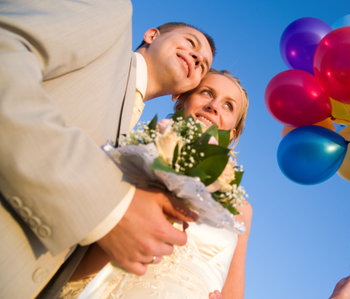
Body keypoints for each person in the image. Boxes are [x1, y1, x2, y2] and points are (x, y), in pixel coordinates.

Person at [0, 0, 215, 297]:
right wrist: (110, 210)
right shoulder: (110, 14)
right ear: (152, 35)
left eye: (202, 64)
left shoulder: (140, 151)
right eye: (190, 43)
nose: (196, 56)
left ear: (180, 92)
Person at [59, 69, 252, 298]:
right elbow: (76, 258)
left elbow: (233, 288)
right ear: (181, 102)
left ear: (233, 133)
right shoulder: (132, 158)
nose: (214, 106)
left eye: (229, 105)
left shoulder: (241, 209)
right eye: (206, 93)